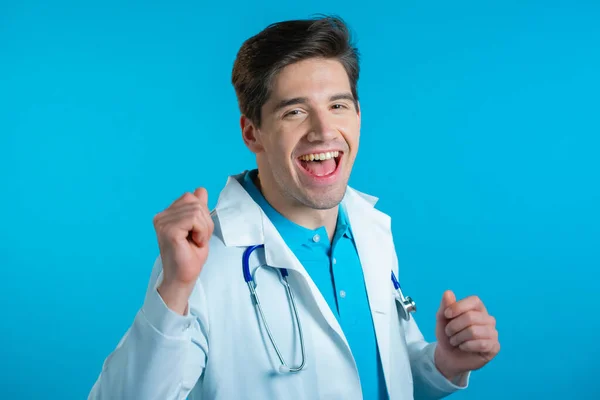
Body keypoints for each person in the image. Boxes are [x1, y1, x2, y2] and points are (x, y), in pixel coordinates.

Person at [88, 16, 500, 400]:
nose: (324, 131)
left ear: (358, 115)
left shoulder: (370, 231)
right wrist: (175, 289)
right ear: (253, 133)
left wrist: (445, 363)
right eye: (295, 111)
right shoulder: (201, 262)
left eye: (338, 106)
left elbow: (380, 375)